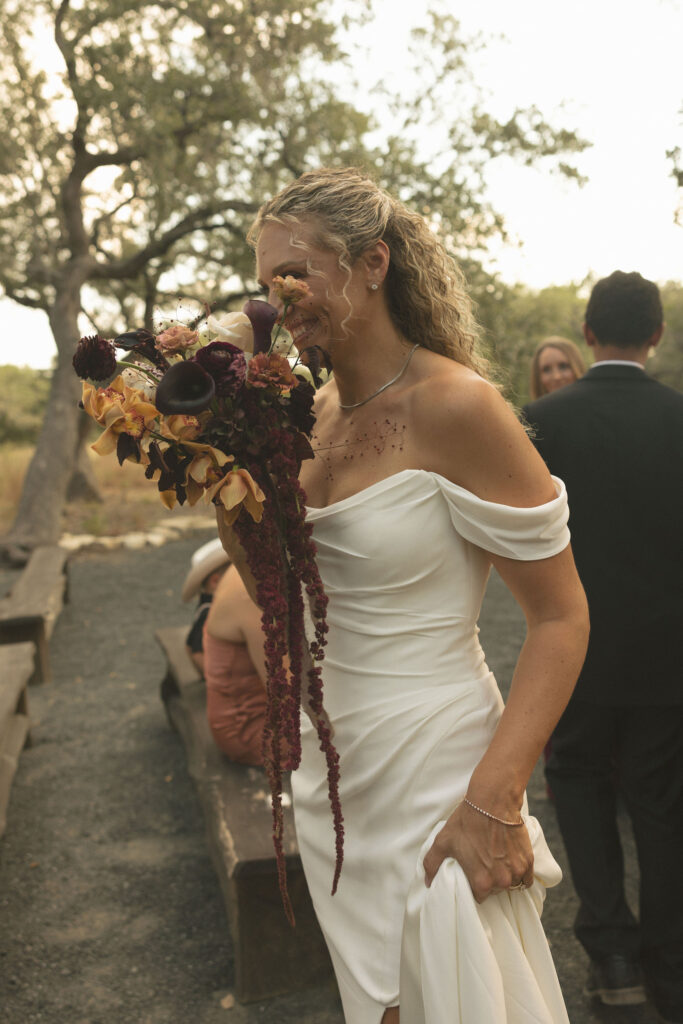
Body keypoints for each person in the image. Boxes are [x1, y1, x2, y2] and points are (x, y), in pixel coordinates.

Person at [223, 167, 589, 1024]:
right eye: (264, 282)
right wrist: (219, 463)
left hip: (436, 761)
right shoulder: (303, 417)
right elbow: (280, 596)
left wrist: (492, 798)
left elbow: (561, 617)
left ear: (373, 262)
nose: (277, 301)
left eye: (295, 274)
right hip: (333, 775)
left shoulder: (458, 405)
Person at [523, 271, 683, 1024]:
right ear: (654, 335)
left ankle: (611, 958)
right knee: (660, 807)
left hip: (572, 652)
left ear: (587, 335)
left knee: (580, 791)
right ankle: (670, 967)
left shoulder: (541, 420)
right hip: (667, 657)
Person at [203, 562, 277, 767]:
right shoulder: (253, 586)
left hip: (263, 704)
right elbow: (288, 694)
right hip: (251, 727)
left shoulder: (246, 564)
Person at [182, 537, 231, 675]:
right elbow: (197, 652)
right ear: (215, 581)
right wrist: (216, 678)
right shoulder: (209, 612)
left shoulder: (211, 606)